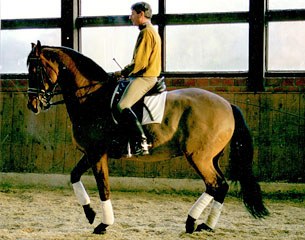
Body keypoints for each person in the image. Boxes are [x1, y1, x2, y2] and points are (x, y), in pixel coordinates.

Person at [114, 2, 161, 155]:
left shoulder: (146, 32)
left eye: (133, 14)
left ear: (141, 14)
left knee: (122, 106)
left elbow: (139, 63)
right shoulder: (150, 31)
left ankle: (141, 142)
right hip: (145, 76)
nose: (130, 17)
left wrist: (122, 72)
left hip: (145, 78)